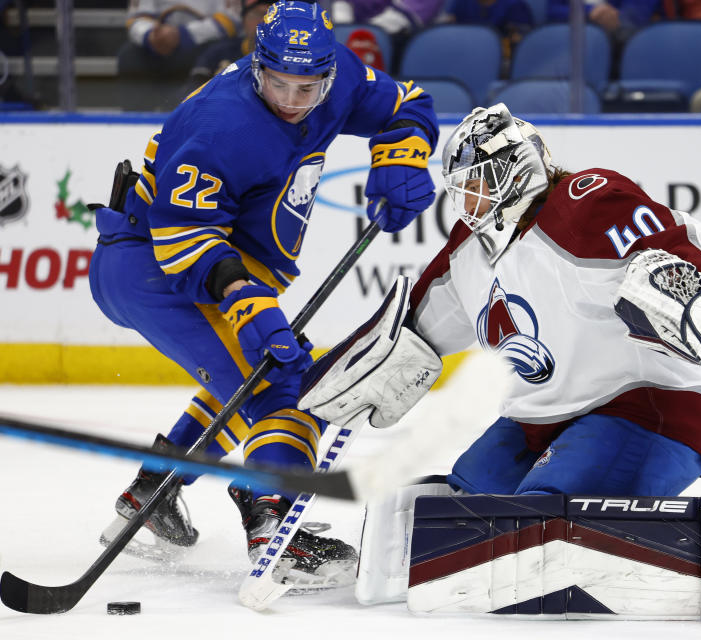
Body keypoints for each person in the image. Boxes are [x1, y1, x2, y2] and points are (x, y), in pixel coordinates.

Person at [298, 103, 701, 621]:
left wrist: (692, 286)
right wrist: (324, 376)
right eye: (461, 186)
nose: (468, 198)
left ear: (520, 167)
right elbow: (410, 327)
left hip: (643, 409)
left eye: (480, 180)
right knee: (464, 503)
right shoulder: (469, 250)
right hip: (536, 420)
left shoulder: (583, 202)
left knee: (538, 528)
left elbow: (674, 242)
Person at [89, 0, 439, 588]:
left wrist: (401, 155)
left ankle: (153, 494)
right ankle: (273, 527)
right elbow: (184, 237)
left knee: (246, 375)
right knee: (288, 388)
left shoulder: (339, 76)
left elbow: (407, 105)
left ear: (330, 71)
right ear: (258, 66)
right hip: (151, 266)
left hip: (215, 261)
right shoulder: (223, 124)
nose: (293, 99)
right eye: (278, 83)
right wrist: (249, 305)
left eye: (309, 86)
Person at [118, 0, 243, 79]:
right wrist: (150, 35)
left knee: (217, 58)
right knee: (129, 56)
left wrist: (182, 35)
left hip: (206, 42)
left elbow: (231, 20)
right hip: (158, 40)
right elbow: (137, 17)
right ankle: (135, 120)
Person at [181, 0, 273, 96]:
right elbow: (192, 95)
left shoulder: (286, 62)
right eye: (257, 14)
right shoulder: (218, 52)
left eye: (271, 17)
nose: (263, 22)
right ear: (244, 20)